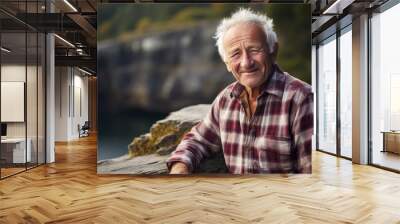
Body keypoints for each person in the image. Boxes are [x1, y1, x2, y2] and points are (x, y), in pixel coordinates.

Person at [166, 8, 313, 174]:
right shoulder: (226, 100)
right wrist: (180, 168)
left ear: (273, 52)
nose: (246, 62)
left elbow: (311, 175)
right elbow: (198, 140)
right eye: (235, 54)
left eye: (254, 50)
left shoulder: (302, 99)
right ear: (227, 63)